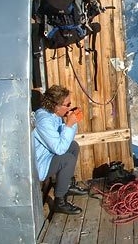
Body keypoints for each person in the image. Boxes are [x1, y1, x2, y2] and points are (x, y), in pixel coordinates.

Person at [32, 85, 88, 215]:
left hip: (49, 156)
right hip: (40, 165)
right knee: (67, 159)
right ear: (56, 106)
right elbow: (59, 149)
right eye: (67, 104)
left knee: (73, 146)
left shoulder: (54, 115)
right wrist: (69, 124)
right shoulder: (44, 121)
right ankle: (60, 202)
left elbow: (67, 141)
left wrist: (71, 122)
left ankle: (66, 184)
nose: (69, 106)